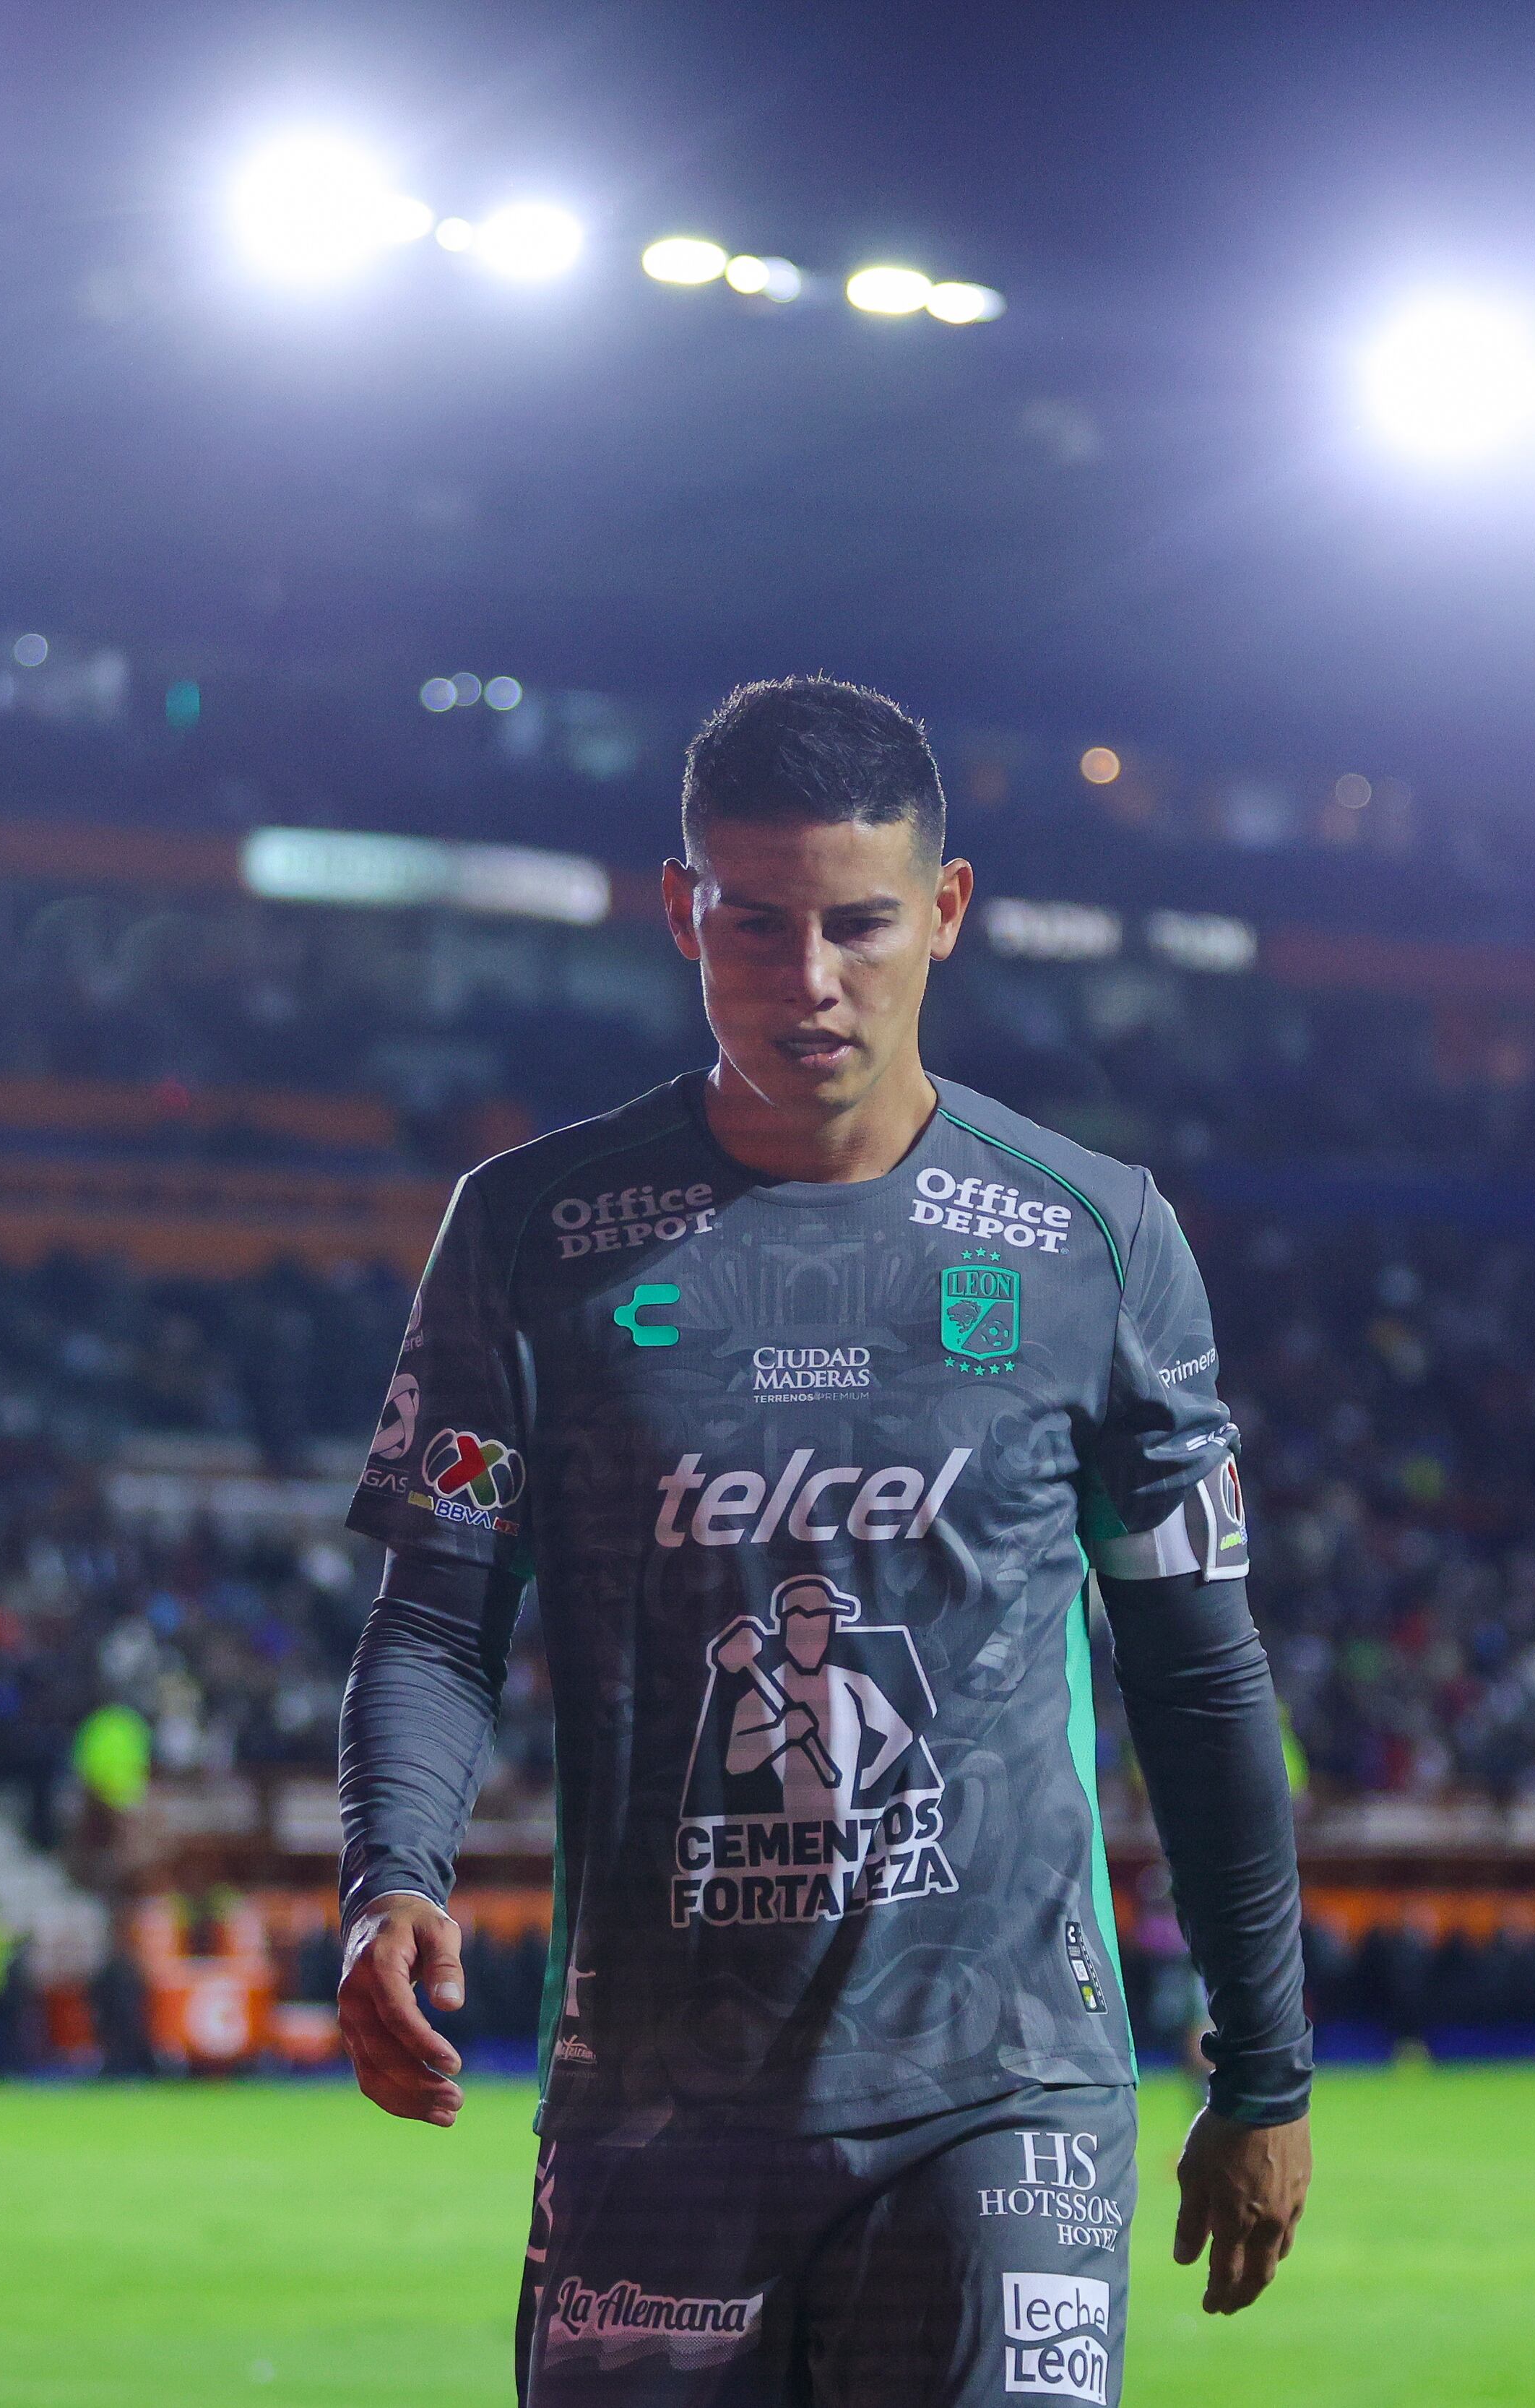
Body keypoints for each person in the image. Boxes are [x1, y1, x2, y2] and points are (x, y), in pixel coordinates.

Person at [335, 678, 1313, 2407]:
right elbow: (435, 1614)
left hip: (1002, 2087)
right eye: (753, 923)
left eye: (859, 924)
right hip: (656, 2106)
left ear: (943, 913)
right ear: (677, 909)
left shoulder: (1095, 1240)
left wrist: (1266, 2071)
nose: (807, 982)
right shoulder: (529, 1235)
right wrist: (390, 1876)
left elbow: (1198, 1670)